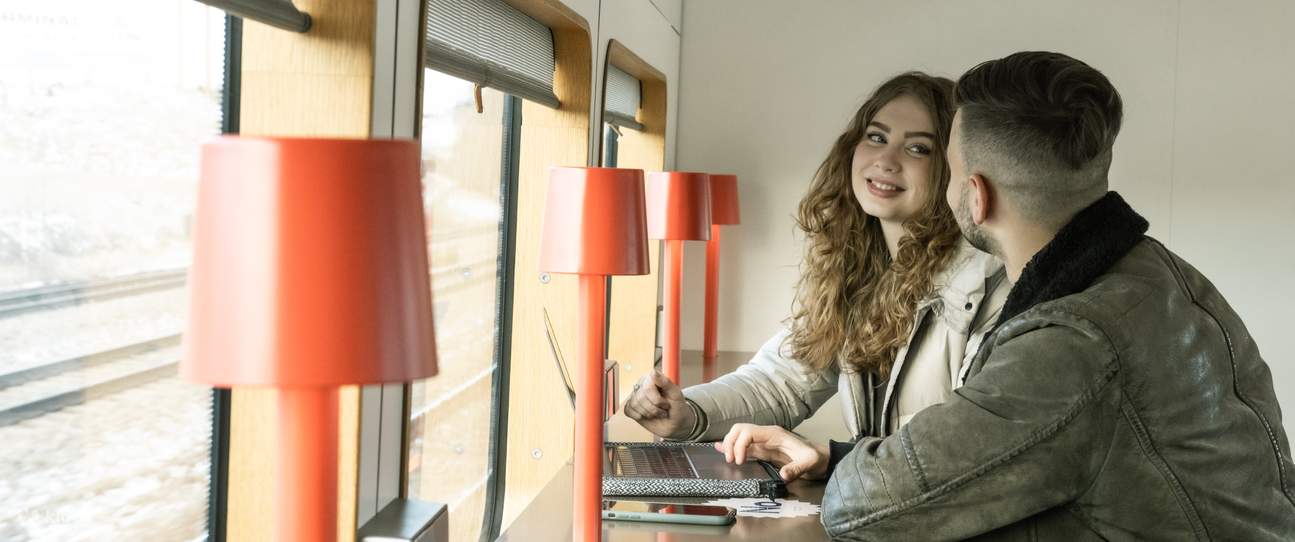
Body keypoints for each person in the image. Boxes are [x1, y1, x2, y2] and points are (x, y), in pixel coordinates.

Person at [718, 51, 1295, 540]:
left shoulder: (1070, 341)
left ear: (976, 195)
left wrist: (847, 470)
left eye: (940, 163)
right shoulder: (1162, 274)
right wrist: (838, 458)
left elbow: (871, 505)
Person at [622, 71, 1010, 480]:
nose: (886, 160)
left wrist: (834, 458)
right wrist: (687, 412)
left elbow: (969, 449)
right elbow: (781, 381)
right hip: (883, 504)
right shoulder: (859, 268)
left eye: (917, 148)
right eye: (876, 137)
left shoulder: (986, 283)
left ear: (953, 169)